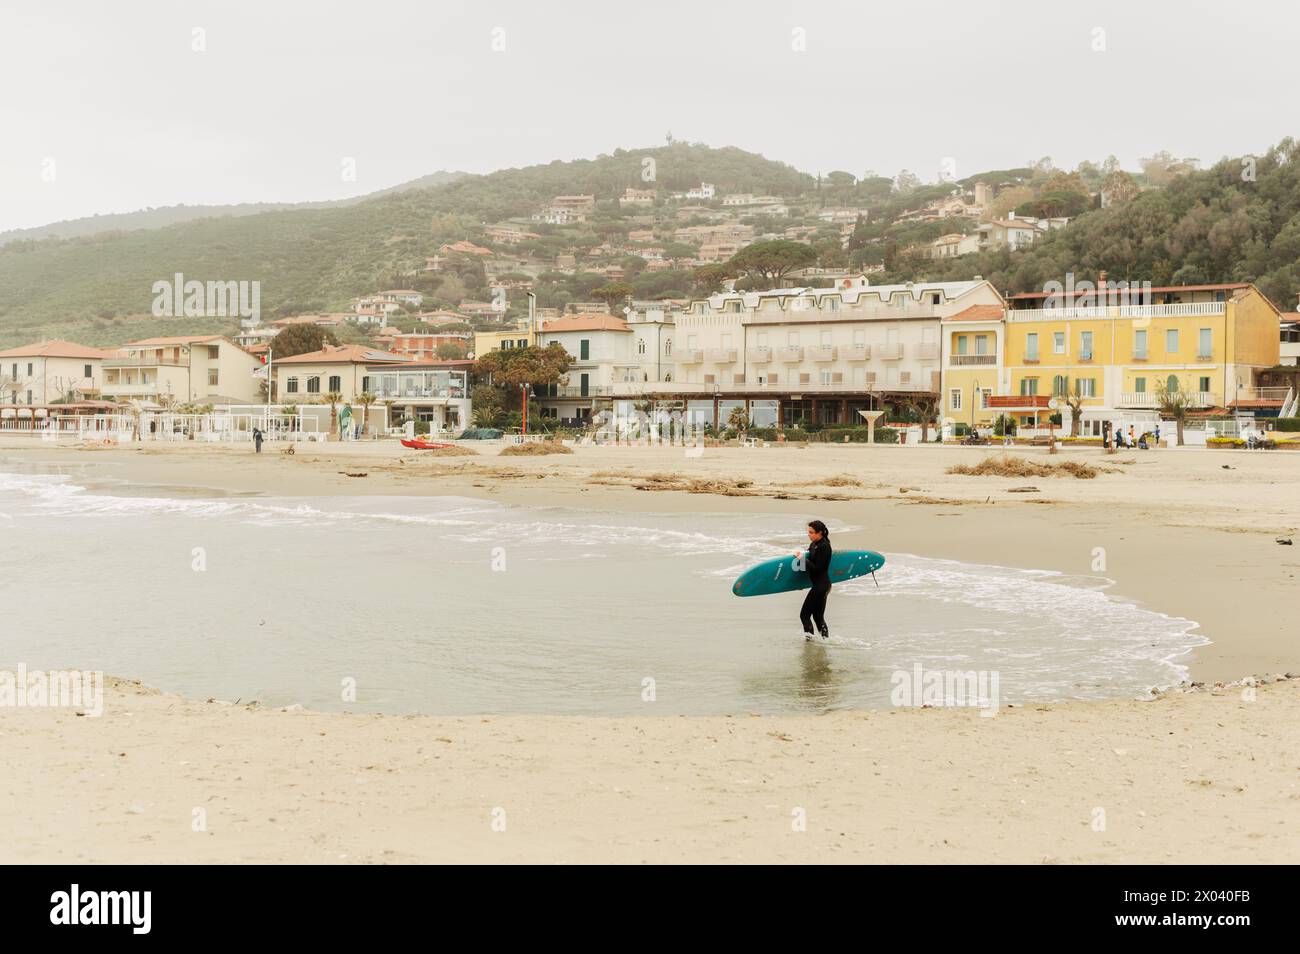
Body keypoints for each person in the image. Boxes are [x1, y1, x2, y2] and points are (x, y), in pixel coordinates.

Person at [794, 520, 833, 640]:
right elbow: (809, 566)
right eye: (808, 532)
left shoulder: (824, 546)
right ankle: (825, 641)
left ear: (819, 532)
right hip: (819, 585)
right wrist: (801, 583)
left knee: (804, 615)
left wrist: (802, 560)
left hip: (821, 586)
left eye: (811, 532)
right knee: (817, 616)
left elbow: (818, 568)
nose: (809, 534)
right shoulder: (813, 544)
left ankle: (809, 643)